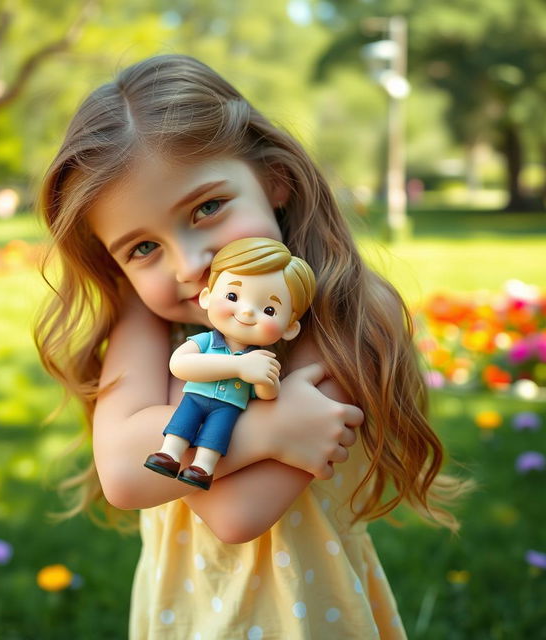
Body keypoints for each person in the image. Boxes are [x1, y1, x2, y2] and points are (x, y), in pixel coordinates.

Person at [35, 54, 469, 639]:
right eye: (142, 249)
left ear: (274, 179)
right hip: (181, 619)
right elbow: (122, 472)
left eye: (207, 208)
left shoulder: (348, 317)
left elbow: (234, 512)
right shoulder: (143, 316)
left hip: (307, 618)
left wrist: (158, 410)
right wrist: (271, 429)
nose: (190, 265)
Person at [144, 237, 316, 490]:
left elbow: (266, 395)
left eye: (269, 310)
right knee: (182, 424)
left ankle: (202, 468)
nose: (246, 311)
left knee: (216, 437)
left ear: (290, 327)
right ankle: (170, 454)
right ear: (206, 297)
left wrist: (264, 380)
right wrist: (239, 368)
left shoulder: (262, 359)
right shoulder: (205, 341)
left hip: (229, 407)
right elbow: (179, 365)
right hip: (195, 396)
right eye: (233, 295)